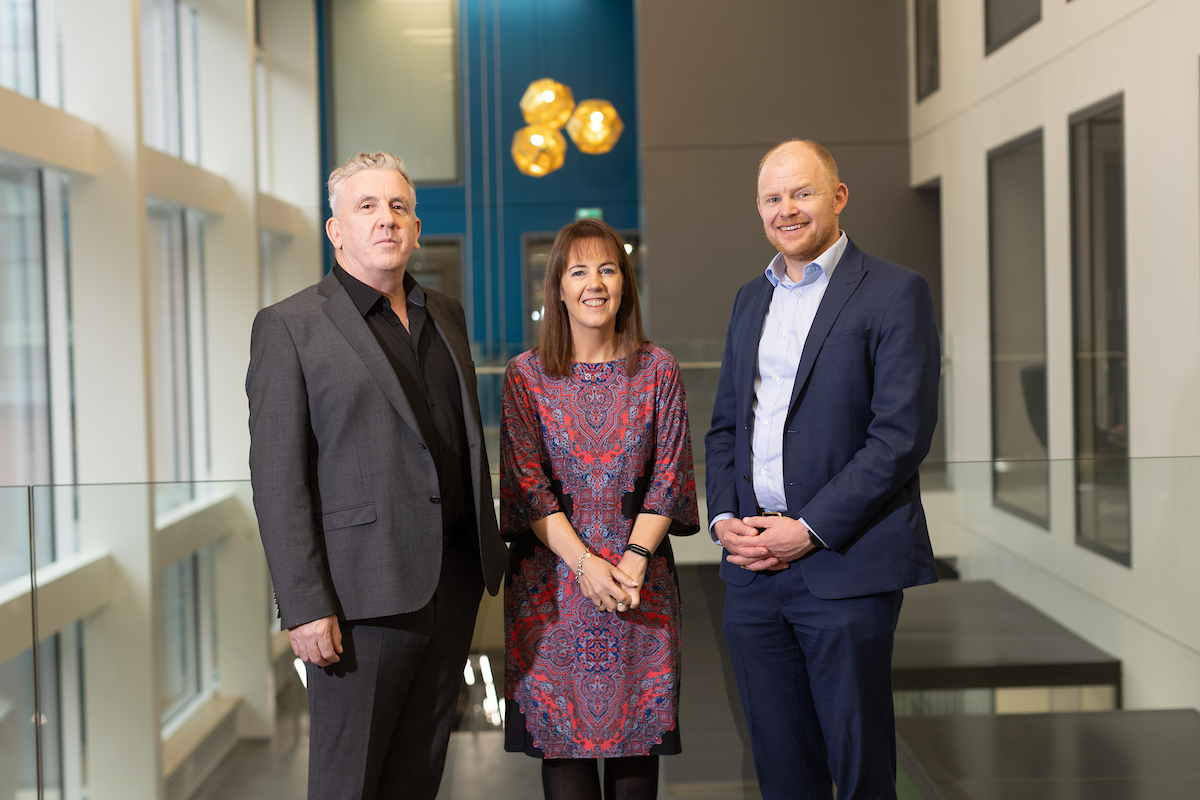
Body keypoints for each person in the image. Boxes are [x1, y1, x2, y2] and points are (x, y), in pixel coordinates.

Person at [246, 151, 507, 800]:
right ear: (336, 231)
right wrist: (304, 605)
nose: (386, 220)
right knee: (349, 784)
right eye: (367, 207)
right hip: (359, 599)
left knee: (417, 778)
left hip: (452, 583)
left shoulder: (444, 314)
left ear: (416, 227)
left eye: (398, 207)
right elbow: (277, 479)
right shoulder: (290, 326)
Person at [704, 140, 941, 799]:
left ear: (838, 197)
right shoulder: (751, 299)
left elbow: (899, 437)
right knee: (783, 771)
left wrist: (807, 529)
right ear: (759, 209)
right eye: (773, 198)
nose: (788, 209)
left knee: (860, 766)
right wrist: (725, 518)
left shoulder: (896, 292)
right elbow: (726, 424)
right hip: (752, 572)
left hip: (847, 566)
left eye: (802, 193)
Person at [500, 218, 699, 800]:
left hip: (641, 596)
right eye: (578, 270)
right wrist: (587, 566)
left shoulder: (658, 369)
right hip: (554, 596)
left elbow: (671, 475)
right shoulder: (525, 377)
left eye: (607, 269)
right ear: (557, 287)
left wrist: (633, 560)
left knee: (638, 768)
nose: (595, 283)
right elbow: (527, 487)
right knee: (566, 770)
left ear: (625, 283)